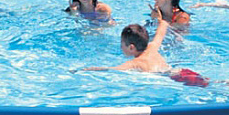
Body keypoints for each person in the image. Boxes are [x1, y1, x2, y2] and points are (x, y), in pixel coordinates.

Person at [81, 20, 209, 87]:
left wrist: (86, 70)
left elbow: (111, 69)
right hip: (182, 71)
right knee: (210, 84)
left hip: (175, 78)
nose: (120, 47)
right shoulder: (152, 48)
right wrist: (162, 22)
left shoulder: (134, 63)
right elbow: (160, 33)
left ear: (131, 47)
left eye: (122, 44)